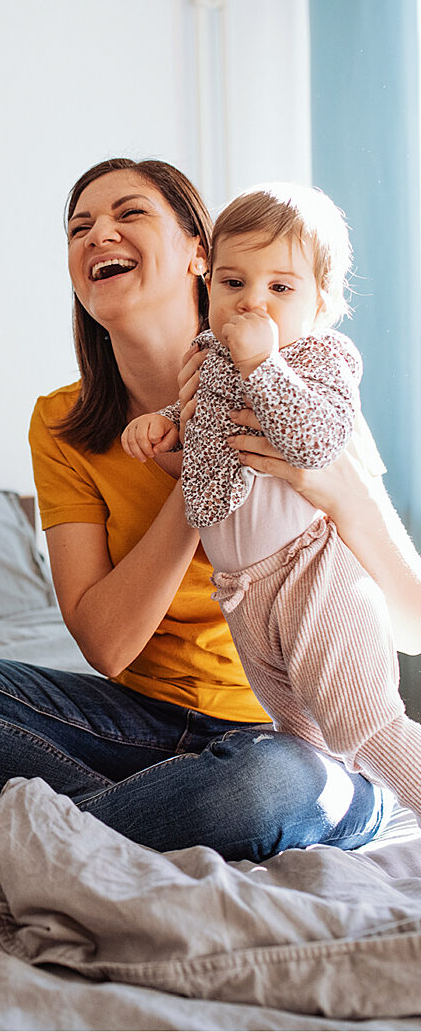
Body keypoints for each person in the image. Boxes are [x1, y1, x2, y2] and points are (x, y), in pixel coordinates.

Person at [0, 157, 418, 862]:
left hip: (285, 740)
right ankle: (145, 809)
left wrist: (341, 491)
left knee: (263, 786)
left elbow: (411, 624)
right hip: (142, 722)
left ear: (199, 254)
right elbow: (108, 647)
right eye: (79, 226)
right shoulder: (63, 424)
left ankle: (62, 828)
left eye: (130, 213)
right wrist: (200, 455)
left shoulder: (297, 378)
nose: (98, 234)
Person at [121, 183, 421, 814]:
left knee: (365, 725)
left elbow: (313, 441)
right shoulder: (208, 357)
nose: (252, 301)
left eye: (280, 287)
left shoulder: (320, 357)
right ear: (208, 287)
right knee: (298, 736)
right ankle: (333, 825)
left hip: (313, 571)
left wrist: (263, 364)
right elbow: (209, 423)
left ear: (322, 303)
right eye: (233, 283)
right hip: (242, 590)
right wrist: (165, 424)